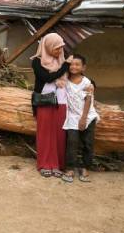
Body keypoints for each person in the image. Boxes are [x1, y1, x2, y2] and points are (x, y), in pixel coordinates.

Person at [31, 33, 72, 178]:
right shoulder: (37, 61)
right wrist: (65, 66)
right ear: (48, 46)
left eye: (61, 48)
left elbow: (75, 76)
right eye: (56, 48)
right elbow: (47, 77)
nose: (59, 51)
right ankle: (45, 164)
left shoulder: (61, 61)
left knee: (60, 135)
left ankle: (57, 165)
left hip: (61, 102)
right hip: (44, 101)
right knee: (45, 133)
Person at [61, 54, 99, 183]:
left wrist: (83, 118)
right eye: (71, 64)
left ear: (83, 67)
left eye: (77, 64)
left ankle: (84, 168)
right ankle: (70, 168)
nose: (73, 67)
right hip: (72, 117)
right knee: (72, 142)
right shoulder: (65, 80)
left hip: (87, 116)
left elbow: (89, 100)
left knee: (88, 143)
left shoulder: (87, 82)